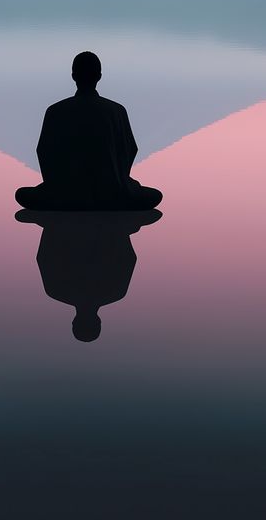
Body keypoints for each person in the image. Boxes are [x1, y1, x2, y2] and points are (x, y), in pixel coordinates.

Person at [14, 51, 162, 211]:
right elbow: (130, 150)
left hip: (63, 195)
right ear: (99, 76)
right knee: (154, 195)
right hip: (112, 194)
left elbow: (44, 153)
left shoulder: (55, 111)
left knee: (22, 194)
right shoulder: (117, 111)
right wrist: (117, 179)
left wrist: (57, 185)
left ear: (73, 76)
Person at [15, 208, 162, 340]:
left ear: (98, 321)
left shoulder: (117, 293)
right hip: (88, 213)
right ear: (74, 321)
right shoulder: (54, 292)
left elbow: (129, 257)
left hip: (80, 213)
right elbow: (43, 255)